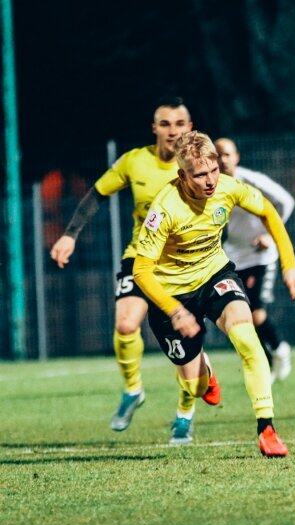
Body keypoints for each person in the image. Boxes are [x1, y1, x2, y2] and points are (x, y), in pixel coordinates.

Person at [132, 130, 295, 457]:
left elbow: (268, 211)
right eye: (200, 175)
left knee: (247, 338)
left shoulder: (228, 186)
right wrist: (174, 310)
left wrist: (290, 265)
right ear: (182, 176)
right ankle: (206, 374)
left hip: (215, 276)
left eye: (214, 170)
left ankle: (267, 428)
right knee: (196, 385)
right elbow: (141, 270)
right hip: (172, 295)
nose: (211, 180)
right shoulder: (164, 209)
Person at [50, 97, 204, 440]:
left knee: (185, 344)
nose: (172, 131)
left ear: (189, 128)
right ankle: (133, 390)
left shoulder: (200, 166)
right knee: (125, 324)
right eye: (165, 124)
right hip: (140, 257)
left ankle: (184, 414)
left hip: (182, 264)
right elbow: (97, 193)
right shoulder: (135, 161)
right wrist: (70, 235)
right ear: (154, 128)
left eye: (179, 124)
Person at [215, 137, 295, 384]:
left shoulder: (252, 180)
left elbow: (287, 202)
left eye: (227, 154)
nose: (223, 160)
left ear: (236, 157)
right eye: (217, 155)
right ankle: (267, 364)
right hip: (233, 257)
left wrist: (270, 235)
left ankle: (280, 348)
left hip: (261, 256)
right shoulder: (210, 186)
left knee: (257, 313)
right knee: (240, 318)